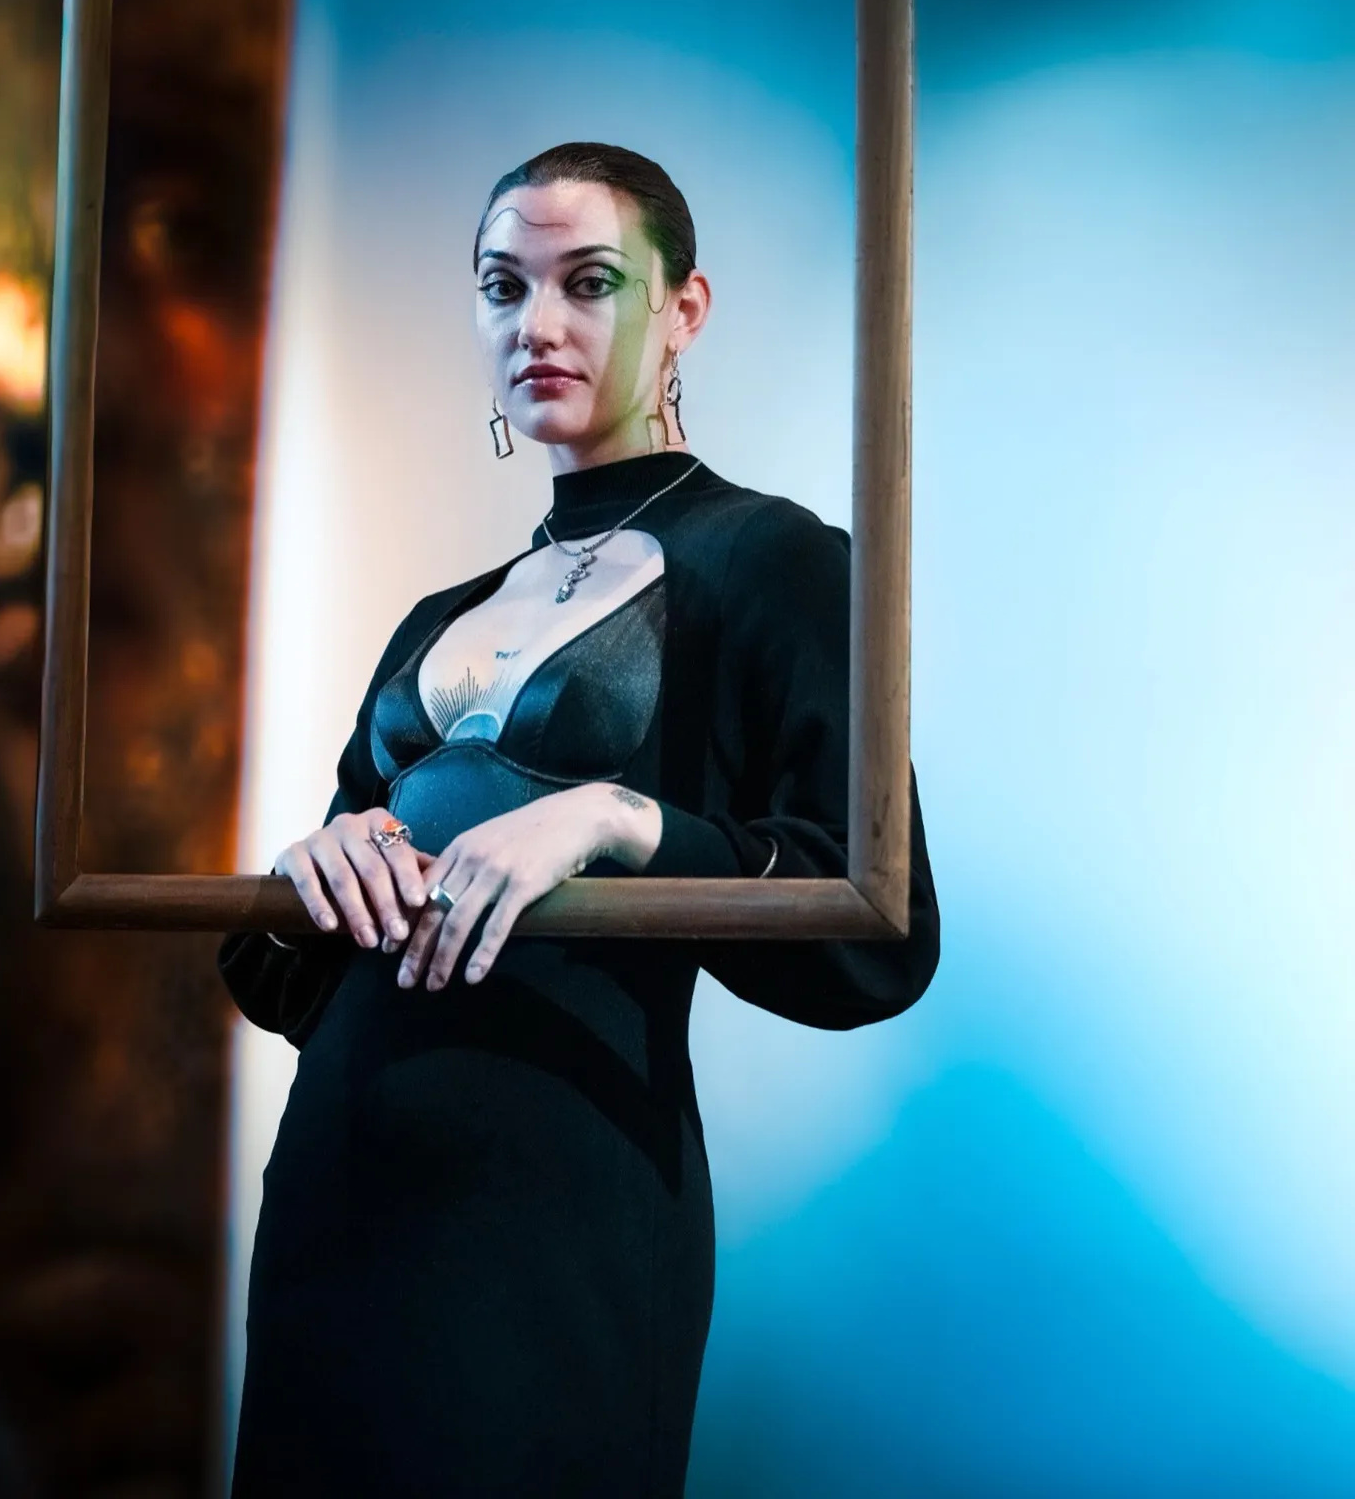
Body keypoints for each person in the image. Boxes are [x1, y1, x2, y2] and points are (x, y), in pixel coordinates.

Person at [219, 142, 940, 1497]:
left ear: (685, 309)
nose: (536, 324)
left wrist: (618, 818)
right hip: (336, 1186)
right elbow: (286, 984)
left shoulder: (777, 564)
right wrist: (316, 866)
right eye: (503, 287)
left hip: (561, 1203)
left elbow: (879, 932)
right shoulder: (437, 617)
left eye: (589, 283)